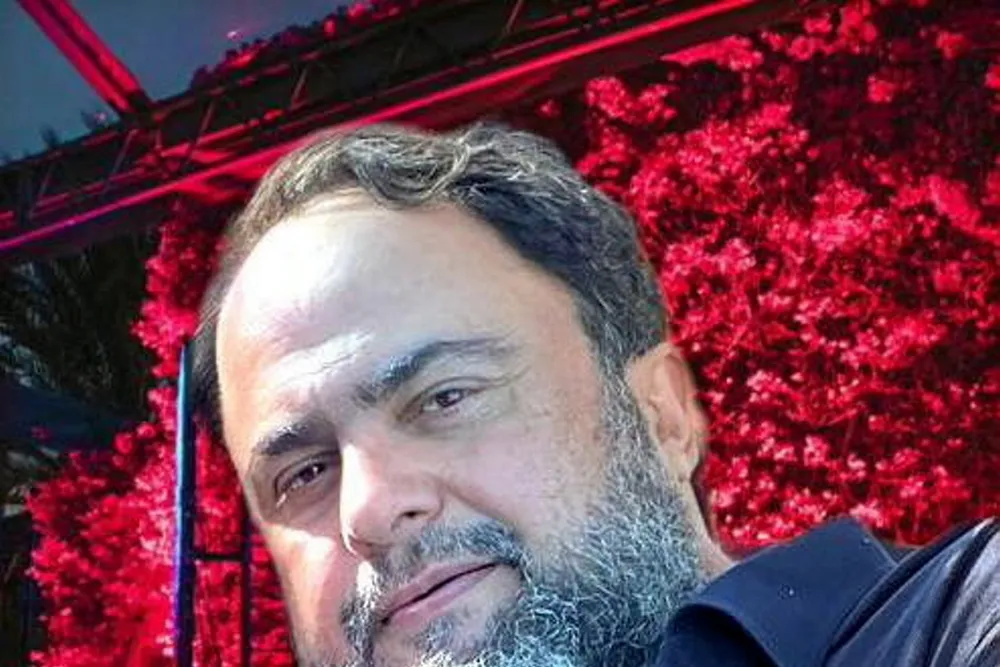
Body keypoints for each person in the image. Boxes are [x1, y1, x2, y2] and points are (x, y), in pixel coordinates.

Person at [192, 123, 999, 667]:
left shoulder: (960, 623)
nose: (366, 510)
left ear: (663, 416)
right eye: (304, 473)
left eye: (443, 397)